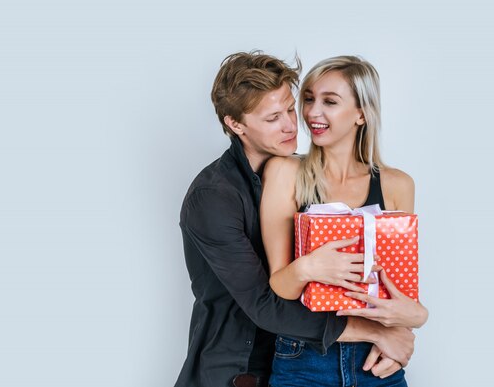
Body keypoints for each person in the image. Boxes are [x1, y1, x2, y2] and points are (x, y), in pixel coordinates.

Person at [176, 51, 415, 387]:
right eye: (273, 118)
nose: (293, 124)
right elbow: (264, 304)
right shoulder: (213, 198)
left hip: (332, 356)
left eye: (291, 108)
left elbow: (392, 285)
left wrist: (407, 324)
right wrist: (376, 330)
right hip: (241, 368)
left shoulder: (300, 174)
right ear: (236, 124)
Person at [261, 56, 429, 387]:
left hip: (375, 359)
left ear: (361, 113)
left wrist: (408, 328)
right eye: (308, 99)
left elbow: (397, 288)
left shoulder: (397, 184)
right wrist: (311, 268)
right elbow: (279, 285)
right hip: (304, 360)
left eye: (330, 101)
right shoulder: (285, 173)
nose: (311, 112)